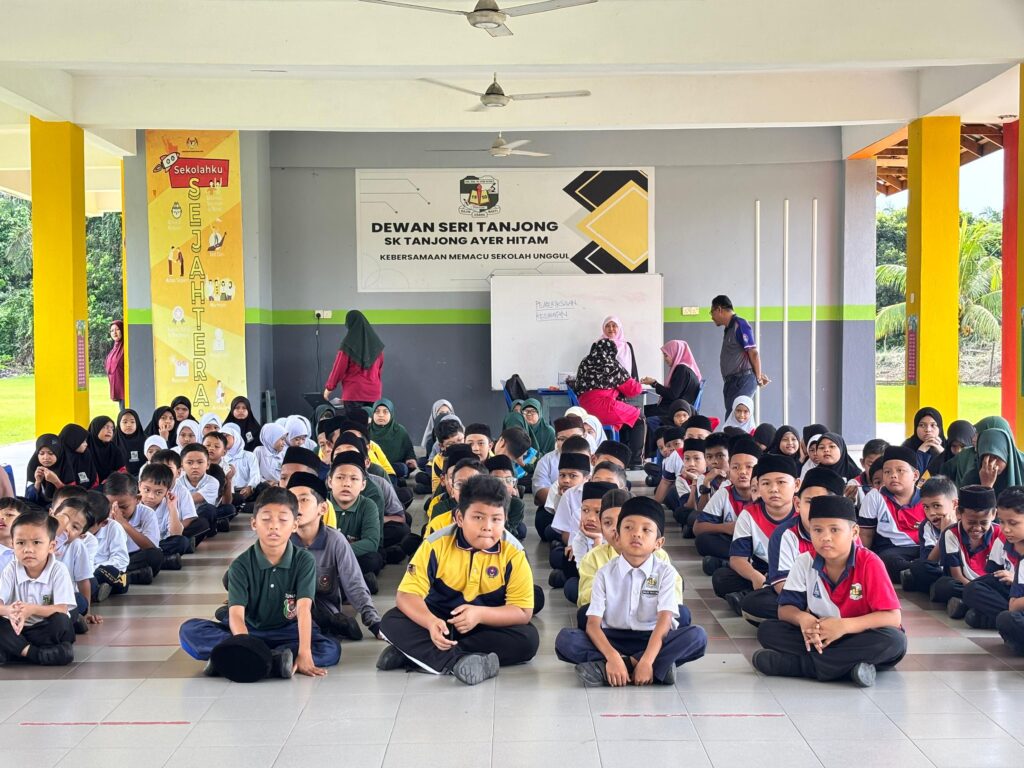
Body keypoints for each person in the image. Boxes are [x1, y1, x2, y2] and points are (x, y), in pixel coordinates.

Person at [376, 475, 539, 684]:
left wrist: (479, 614)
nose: (487, 526)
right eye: (478, 517)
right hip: (439, 621)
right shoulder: (435, 544)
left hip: (486, 624)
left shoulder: (514, 552)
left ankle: (417, 654)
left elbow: (522, 612)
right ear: (460, 518)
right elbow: (406, 595)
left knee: (528, 640)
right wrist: (430, 622)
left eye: (496, 519)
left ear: (505, 519)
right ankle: (457, 661)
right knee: (391, 621)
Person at [178, 487, 341, 680]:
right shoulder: (241, 565)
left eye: (283, 520)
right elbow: (236, 614)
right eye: (266, 519)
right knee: (190, 631)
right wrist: (246, 646)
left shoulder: (304, 560)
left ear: (295, 524)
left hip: (288, 631)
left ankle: (231, 658)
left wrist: (305, 653)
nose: (274, 526)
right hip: (248, 630)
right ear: (254, 523)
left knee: (331, 649)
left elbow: (303, 609)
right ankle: (277, 661)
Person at [752, 496, 907, 687]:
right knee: (768, 631)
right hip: (822, 634)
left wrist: (843, 626)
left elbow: (893, 618)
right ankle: (850, 667)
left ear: (854, 532)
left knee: (894, 641)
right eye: (817, 530)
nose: (825, 537)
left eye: (834, 530)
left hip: (860, 635)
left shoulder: (870, 562)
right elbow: (785, 610)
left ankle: (800, 666)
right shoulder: (805, 561)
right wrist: (803, 619)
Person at [555, 496, 707, 686]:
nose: (636, 534)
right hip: (611, 637)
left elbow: (664, 621)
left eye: (646, 530)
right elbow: (593, 624)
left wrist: (646, 660)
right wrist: (612, 656)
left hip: (651, 637)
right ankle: (655, 666)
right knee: (566, 639)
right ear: (617, 537)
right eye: (628, 527)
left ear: (659, 543)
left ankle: (614, 667)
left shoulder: (666, 572)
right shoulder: (604, 573)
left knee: (697, 636)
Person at [740, 467, 847, 625]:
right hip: (800, 597)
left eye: (824, 502)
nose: (816, 509)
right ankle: (813, 621)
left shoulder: (847, 533)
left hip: (843, 598)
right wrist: (808, 608)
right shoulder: (785, 534)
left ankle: (817, 624)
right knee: (755, 603)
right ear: (797, 504)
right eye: (809, 502)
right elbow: (782, 585)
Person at [286, 472, 382, 641]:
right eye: (290, 501)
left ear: (322, 508)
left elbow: (353, 582)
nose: (295, 507)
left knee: (324, 638)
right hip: (286, 606)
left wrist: (374, 623)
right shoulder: (280, 539)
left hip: (321, 608)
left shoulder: (335, 540)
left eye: (303, 500)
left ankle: (334, 625)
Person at [711, 454, 799, 615]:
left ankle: (754, 600)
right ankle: (765, 600)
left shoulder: (804, 513)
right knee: (721, 578)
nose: (773, 489)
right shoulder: (749, 514)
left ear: (797, 484)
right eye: (766, 483)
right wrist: (754, 576)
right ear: (758, 486)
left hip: (796, 577)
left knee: (756, 603)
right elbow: (737, 559)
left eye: (781, 482)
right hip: (763, 572)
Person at [0, 510, 76, 666]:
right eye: (20, 543)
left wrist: (31, 609)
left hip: (44, 628)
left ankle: (15, 651)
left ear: (51, 546)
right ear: (12, 545)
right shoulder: (11, 569)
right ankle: (36, 654)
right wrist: (9, 610)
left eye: (36, 542)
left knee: (62, 622)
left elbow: (62, 608)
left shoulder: (58, 570)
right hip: (17, 629)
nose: (28, 549)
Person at [574, 338, 646, 467]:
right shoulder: (611, 364)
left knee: (625, 417)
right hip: (603, 407)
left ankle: (620, 457)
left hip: (584, 410)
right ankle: (636, 461)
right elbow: (634, 390)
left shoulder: (584, 362)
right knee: (638, 418)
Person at [858, 446, 926, 582]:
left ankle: (913, 575)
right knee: (886, 562)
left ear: (915, 475)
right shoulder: (875, 496)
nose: (893, 475)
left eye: (900, 470)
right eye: (887, 472)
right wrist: (861, 564)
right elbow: (865, 535)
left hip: (923, 548)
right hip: (891, 551)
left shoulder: (927, 496)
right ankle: (920, 573)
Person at [960, 487, 1024, 630]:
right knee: (972, 589)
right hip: (1011, 595)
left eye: (1013, 523)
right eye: (1002, 522)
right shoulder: (1002, 540)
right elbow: (991, 577)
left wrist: (1014, 578)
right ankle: (1005, 618)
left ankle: (987, 618)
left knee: (1005, 619)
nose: (1006, 529)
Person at [694, 438, 760, 575]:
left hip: (761, 544)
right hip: (734, 543)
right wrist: (726, 528)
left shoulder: (766, 494)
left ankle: (728, 563)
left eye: (749, 467)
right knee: (703, 541)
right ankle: (743, 563)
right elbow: (698, 527)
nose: (742, 472)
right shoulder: (725, 493)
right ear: (729, 469)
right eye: (735, 467)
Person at [326, 451, 383, 592]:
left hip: (348, 556)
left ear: (363, 485)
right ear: (330, 481)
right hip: (324, 558)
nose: (346, 484)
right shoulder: (321, 504)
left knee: (373, 559)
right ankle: (355, 582)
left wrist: (338, 552)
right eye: (340, 477)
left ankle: (339, 582)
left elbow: (371, 542)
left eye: (354, 479)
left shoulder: (368, 505)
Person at [898, 476, 958, 596]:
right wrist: (944, 534)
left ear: (954, 504)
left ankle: (938, 589)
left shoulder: (967, 523)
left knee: (945, 586)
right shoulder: (926, 526)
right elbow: (929, 561)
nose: (931, 513)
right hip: (939, 571)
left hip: (962, 573)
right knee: (918, 566)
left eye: (937, 506)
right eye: (926, 507)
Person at [710, 294, 769, 416]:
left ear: (719, 309)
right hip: (732, 382)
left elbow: (753, 352)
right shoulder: (729, 328)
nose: (712, 317)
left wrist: (758, 378)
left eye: (712, 312)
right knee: (731, 418)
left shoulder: (740, 324)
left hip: (742, 381)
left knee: (738, 417)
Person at [103, 472, 163, 587]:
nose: (116, 511)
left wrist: (123, 523)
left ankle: (113, 577)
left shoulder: (147, 513)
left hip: (133, 557)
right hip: (110, 559)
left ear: (138, 499)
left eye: (123, 507)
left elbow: (150, 547)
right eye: (111, 506)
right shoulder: (102, 514)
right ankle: (128, 576)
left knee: (155, 555)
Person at [323, 310, 385, 407]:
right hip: (374, 394)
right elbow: (379, 371)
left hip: (354, 393)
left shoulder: (348, 344)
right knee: (370, 417)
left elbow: (338, 369)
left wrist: (328, 389)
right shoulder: (377, 345)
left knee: (353, 418)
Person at [642, 340, 702, 422]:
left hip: (674, 411)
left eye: (666, 355)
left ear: (676, 354)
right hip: (677, 408)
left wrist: (654, 383)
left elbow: (672, 395)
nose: (664, 359)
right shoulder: (687, 369)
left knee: (638, 413)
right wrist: (654, 383)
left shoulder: (682, 369)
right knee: (640, 410)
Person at [369, 398, 417, 477]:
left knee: (402, 468)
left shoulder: (400, 430)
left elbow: (409, 450)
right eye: (377, 411)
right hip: (372, 466)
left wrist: (411, 459)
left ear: (391, 413)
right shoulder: (366, 429)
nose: (381, 415)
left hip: (393, 466)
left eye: (385, 412)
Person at [902, 407, 946, 477]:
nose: (928, 430)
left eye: (933, 425)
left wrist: (943, 453)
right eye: (922, 425)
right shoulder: (907, 447)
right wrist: (921, 452)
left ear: (940, 428)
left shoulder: (948, 445)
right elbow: (907, 476)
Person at [57, 423, 98, 490]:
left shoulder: (86, 454)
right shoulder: (60, 458)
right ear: (72, 441)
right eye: (83, 441)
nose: (86, 444)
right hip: (67, 494)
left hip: (89, 493)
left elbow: (94, 477)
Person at [25, 434, 62, 506]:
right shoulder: (34, 466)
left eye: (51, 453)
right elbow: (29, 500)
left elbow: (73, 498)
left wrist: (56, 482)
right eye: (41, 453)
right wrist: (37, 482)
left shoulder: (65, 466)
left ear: (58, 452)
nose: (46, 457)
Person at [88, 415, 127, 483]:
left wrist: (111, 480)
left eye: (112, 428)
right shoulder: (85, 448)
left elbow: (122, 471)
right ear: (95, 428)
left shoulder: (114, 449)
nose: (110, 431)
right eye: (105, 427)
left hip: (111, 485)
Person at [115, 409, 147, 476]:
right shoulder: (113, 442)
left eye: (132, 422)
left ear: (137, 423)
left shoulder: (146, 440)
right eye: (125, 422)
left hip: (144, 477)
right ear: (119, 423)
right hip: (120, 478)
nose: (129, 425)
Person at [105, 320, 125, 410]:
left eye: (117, 329)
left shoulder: (125, 347)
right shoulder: (115, 348)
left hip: (126, 390)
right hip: (118, 389)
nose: (114, 332)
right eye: (112, 330)